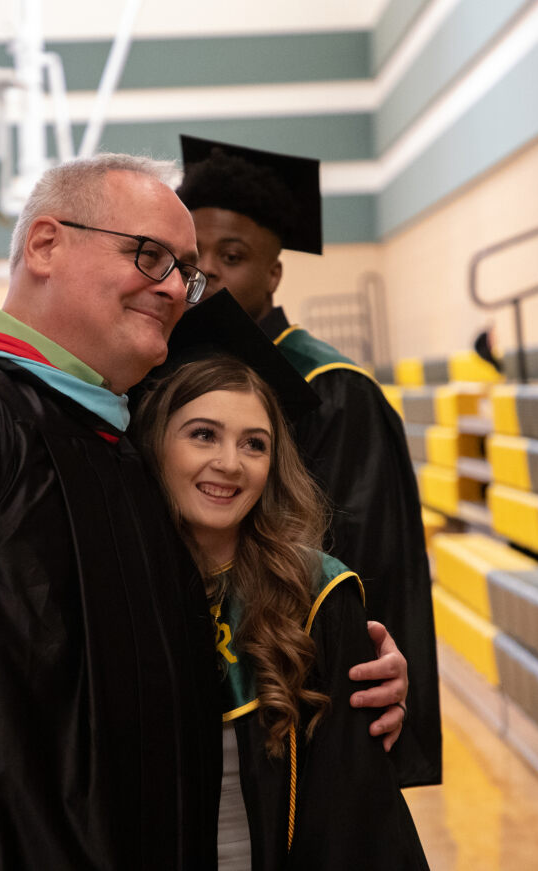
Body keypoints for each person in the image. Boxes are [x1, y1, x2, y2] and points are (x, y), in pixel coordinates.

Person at [0, 154, 407, 869]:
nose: (175, 288)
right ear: (45, 244)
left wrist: (339, 654)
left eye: (185, 271)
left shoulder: (114, 435)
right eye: (149, 256)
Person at [177, 136, 442, 785]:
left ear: (273, 274)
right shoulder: (162, 370)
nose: (207, 273)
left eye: (232, 257)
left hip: (300, 701)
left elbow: (370, 569)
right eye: (192, 257)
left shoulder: (332, 388)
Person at [133, 292, 430, 870]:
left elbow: (354, 816)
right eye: (202, 435)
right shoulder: (117, 582)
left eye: (254, 443)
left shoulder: (316, 596)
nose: (230, 463)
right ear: (155, 441)